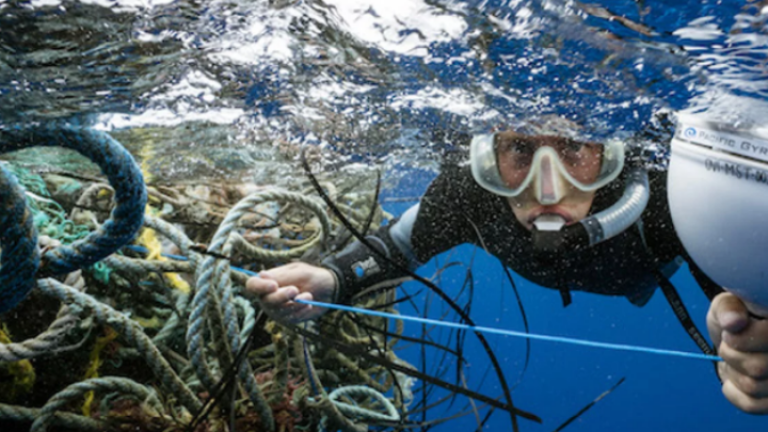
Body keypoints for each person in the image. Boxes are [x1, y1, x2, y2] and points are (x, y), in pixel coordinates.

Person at [246, 130, 768, 415]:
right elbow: (396, 245)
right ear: (489, 155)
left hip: (639, 274)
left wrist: (752, 345)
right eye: (521, 150)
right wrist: (331, 279)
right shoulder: (466, 195)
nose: (548, 188)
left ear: (612, 153)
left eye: (575, 148)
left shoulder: (662, 203)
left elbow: (741, 309)